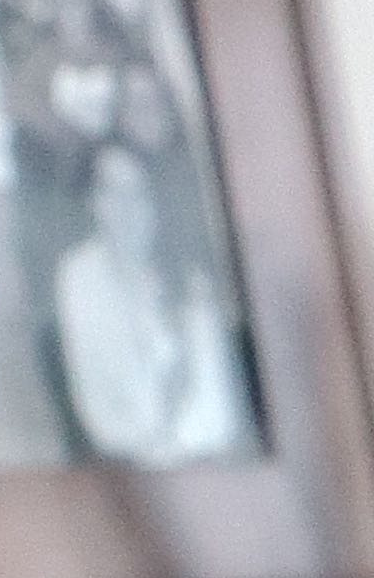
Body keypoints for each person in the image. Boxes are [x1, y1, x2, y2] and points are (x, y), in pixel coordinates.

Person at [51, 138, 256, 467]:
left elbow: (218, 410)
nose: (125, 207)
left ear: (155, 199)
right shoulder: (78, 277)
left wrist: (170, 443)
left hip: (207, 465)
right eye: (110, 192)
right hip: (127, 471)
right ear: (92, 201)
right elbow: (95, 406)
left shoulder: (192, 280)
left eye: (137, 192)